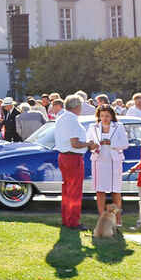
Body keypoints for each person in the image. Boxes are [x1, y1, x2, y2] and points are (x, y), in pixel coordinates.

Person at [54, 95, 96, 230]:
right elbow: (75, 143)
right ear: (77, 107)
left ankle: (66, 218)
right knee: (74, 191)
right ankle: (73, 221)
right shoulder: (71, 120)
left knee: (67, 189)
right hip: (73, 157)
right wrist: (89, 144)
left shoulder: (61, 117)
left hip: (64, 156)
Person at [86, 105, 129, 227]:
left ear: (112, 116)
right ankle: (102, 218)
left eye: (107, 116)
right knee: (100, 190)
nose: (104, 118)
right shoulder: (93, 127)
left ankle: (118, 219)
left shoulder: (118, 126)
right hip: (99, 160)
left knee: (116, 190)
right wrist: (93, 145)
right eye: (102, 116)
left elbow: (125, 144)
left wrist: (112, 143)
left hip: (114, 161)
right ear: (99, 116)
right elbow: (88, 142)